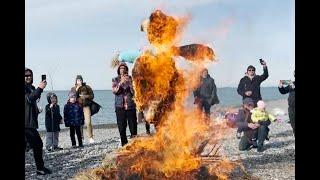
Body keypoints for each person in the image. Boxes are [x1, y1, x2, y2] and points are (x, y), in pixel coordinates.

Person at [25, 68, 52, 175]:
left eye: (29, 75)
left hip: (31, 121)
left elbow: (32, 101)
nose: (27, 77)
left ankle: (40, 169)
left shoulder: (31, 88)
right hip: (26, 123)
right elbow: (28, 99)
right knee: (37, 144)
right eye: (25, 75)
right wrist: (40, 89)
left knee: (36, 145)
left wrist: (36, 110)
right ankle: (40, 169)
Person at [112, 62, 138, 146]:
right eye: (120, 68)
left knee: (133, 128)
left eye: (124, 68)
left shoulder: (131, 79)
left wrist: (129, 83)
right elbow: (115, 91)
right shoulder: (115, 79)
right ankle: (124, 145)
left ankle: (134, 145)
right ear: (118, 70)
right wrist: (121, 83)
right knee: (122, 128)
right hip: (120, 107)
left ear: (126, 70)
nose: (122, 70)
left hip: (130, 106)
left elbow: (135, 92)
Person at [71, 75, 95, 143]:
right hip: (77, 107)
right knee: (80, 123)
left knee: (88, 122)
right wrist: (76, 90)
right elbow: (71, 97)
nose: (79, 81)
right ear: (76, 81)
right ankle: (81, 137)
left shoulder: (87, 87)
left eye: (80, 80)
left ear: (82, 80)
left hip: (86, 106)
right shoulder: (73, 88)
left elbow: (92, 96)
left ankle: (90, 137)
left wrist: (86, 96)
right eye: (78, 80)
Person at [278, 70, 295, 136]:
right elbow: (283, 91)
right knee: (293, 123)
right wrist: (280, 87)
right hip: (291, 107)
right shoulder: (292, 83)